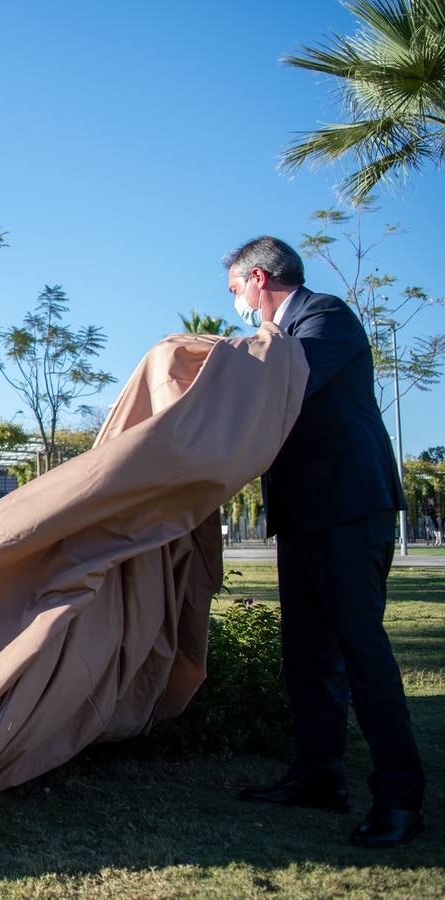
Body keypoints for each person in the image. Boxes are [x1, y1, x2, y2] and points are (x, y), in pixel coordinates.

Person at [225, 236, 424, 848]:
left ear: (259, 278)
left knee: (360, 651)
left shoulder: (325, 317)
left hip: (348, 507)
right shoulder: (285, 332)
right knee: (307, 654)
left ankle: (400, 799)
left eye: (235, 290)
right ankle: (318, 776)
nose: (237, 302)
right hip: (305, 514)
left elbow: (277, 387)